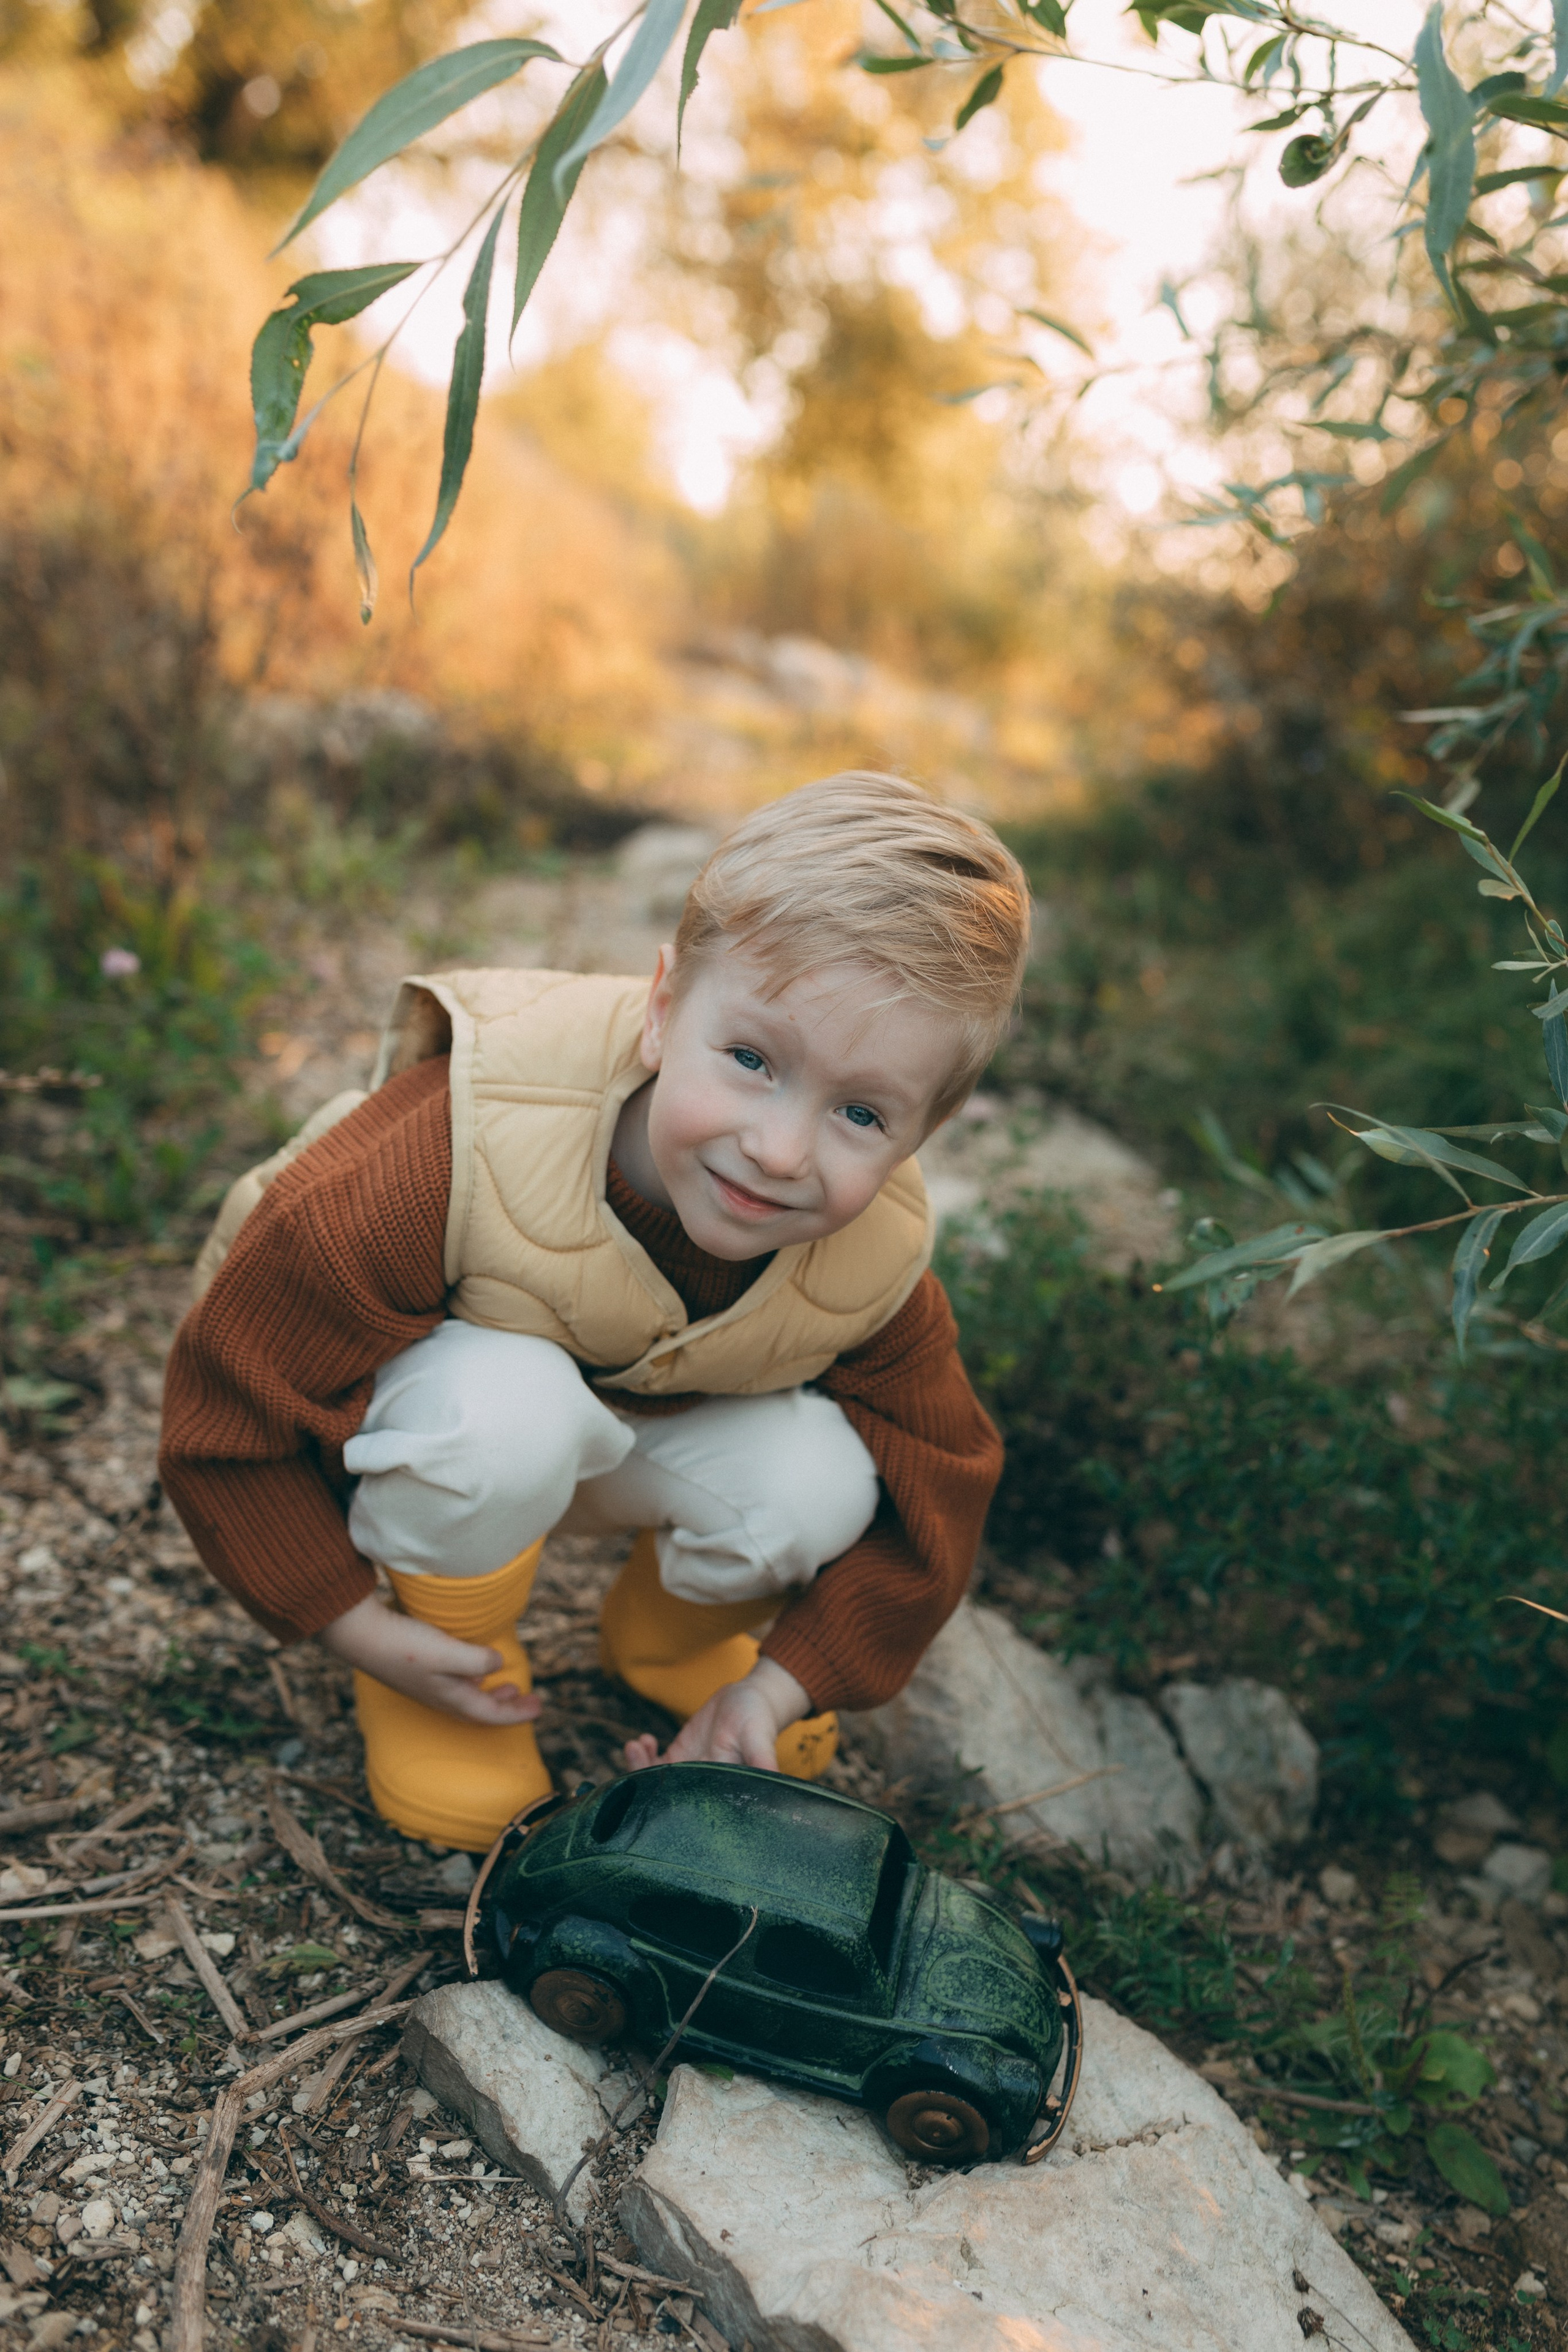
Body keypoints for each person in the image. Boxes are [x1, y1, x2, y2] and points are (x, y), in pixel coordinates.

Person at [158, 773, 1030, 1851]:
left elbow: (940, 1482)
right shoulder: (455, 1145)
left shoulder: (876, 1256)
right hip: (426, 1433)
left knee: (826, 1476)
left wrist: (780, 1685)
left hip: (617, 1419)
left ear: (922, 1133)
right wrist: (353, 1627)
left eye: (860, 1112)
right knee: (502, 1412)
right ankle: (447, 1662)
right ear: (662, 1011)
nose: (779, 1150)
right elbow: (232, 1398)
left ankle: (666, 1642)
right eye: (751, 1060)